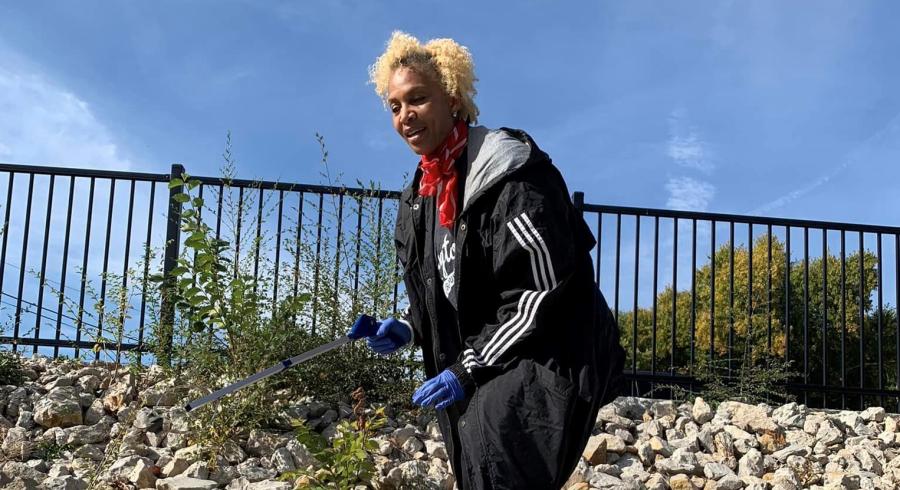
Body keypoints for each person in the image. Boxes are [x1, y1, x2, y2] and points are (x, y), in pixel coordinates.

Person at [348, 31, 625, 489]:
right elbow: (439, 290)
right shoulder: (418, 200)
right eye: (394, 106)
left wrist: (467, 366)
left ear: (453, 99)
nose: (405, 116)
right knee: (476, 469)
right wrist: (408, 327)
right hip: (480, 365)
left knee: (499, 468)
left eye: (417, 98)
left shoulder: (510, 175)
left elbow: (542, 292)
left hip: (546, 356)